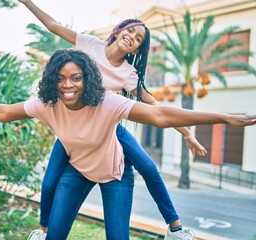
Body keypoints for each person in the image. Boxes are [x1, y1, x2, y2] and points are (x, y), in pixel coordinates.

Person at [0, 49, 256, 240]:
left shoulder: (107, 102)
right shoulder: (46, 104)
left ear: (87, 78)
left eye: (75, 77)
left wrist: (223, 118)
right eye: (60, 78)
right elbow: (3, 112)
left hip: (115, 175)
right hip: (77, 172)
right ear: (51, 80)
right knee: (53, 237)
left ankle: (176, 227)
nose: (67, 84)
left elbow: (161, 117)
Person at [18, 1, 206, 239]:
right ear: (118, 31)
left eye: (138, 39)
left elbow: (155, 106)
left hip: (106, 129)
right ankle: (43, 230)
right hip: (73, 128)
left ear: (136, 50)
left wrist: (187, 134)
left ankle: (176, 228)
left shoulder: (128, 73)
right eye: (130, 30)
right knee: (48, 184)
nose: (132, 37)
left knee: (148, 168)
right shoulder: (89, 44)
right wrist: (27, 2)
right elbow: (52, 25)